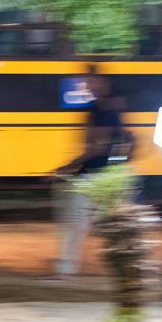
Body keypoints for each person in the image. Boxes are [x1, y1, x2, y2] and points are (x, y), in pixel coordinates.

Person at [49, 65, 135, 279]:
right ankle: (130, 270)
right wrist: (119, 162)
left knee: (74, 222)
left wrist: (66, 167)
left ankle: (64, 271)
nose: (86, 84)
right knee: (116, 224)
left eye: (90, 80)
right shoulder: (112, 107)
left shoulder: (101, 110)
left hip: (94, 176)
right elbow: (129, 139)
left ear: (103, 82)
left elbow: (96, 147)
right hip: (109, 175)